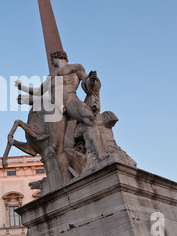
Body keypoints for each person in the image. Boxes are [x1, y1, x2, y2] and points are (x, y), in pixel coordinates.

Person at [16, 51, 108, 182]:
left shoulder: (76, 67)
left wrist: (91, 80)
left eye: (51, 59)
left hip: (71, 99)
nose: (51, 62)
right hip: (56, 107)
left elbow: (86, 82)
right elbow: (39, 91)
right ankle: (66, 181)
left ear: (56, 57)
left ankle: (101, 154)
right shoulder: (51, 76)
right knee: (57, 146)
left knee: (89, 118)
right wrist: (22, 87)